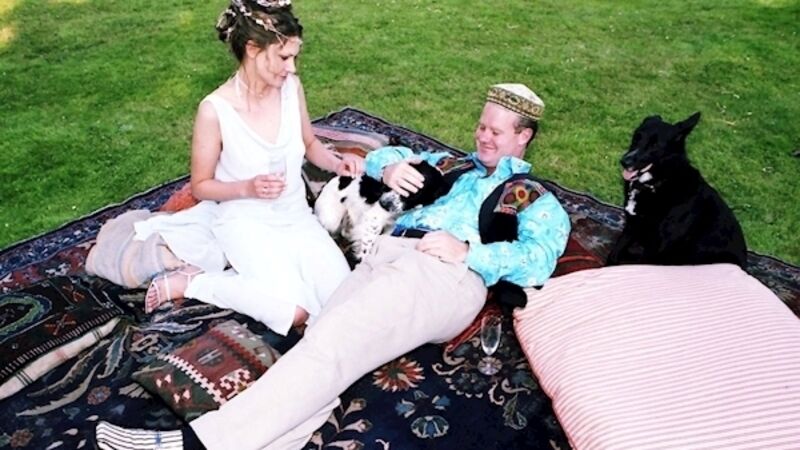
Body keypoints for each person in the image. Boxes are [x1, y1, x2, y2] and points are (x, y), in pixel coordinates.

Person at [93, 82, 571, 449]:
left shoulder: (533, 198)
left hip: (443, 273)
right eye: (481, 126)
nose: (483, 137)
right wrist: (388, 168)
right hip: (386, 255)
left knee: (334, 342)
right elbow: (382, 156)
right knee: (325, 338)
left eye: (496, 132)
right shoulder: (452, 165)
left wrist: (469, 252)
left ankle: (197, 443)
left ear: (523, 137)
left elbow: (538, 259)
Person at [130, 0, 362, 336]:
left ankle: (242, 279)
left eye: (295, 57)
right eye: (284, 57)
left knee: (344, 302)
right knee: (294, 311)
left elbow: (310, 143)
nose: (292, 68)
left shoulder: (291, 88)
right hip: (245, 223)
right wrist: (247, 187)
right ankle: (195, 283)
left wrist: (338, 163)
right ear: (253, 49)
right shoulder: (215, 110)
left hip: (297, 219)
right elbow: (200, 186)